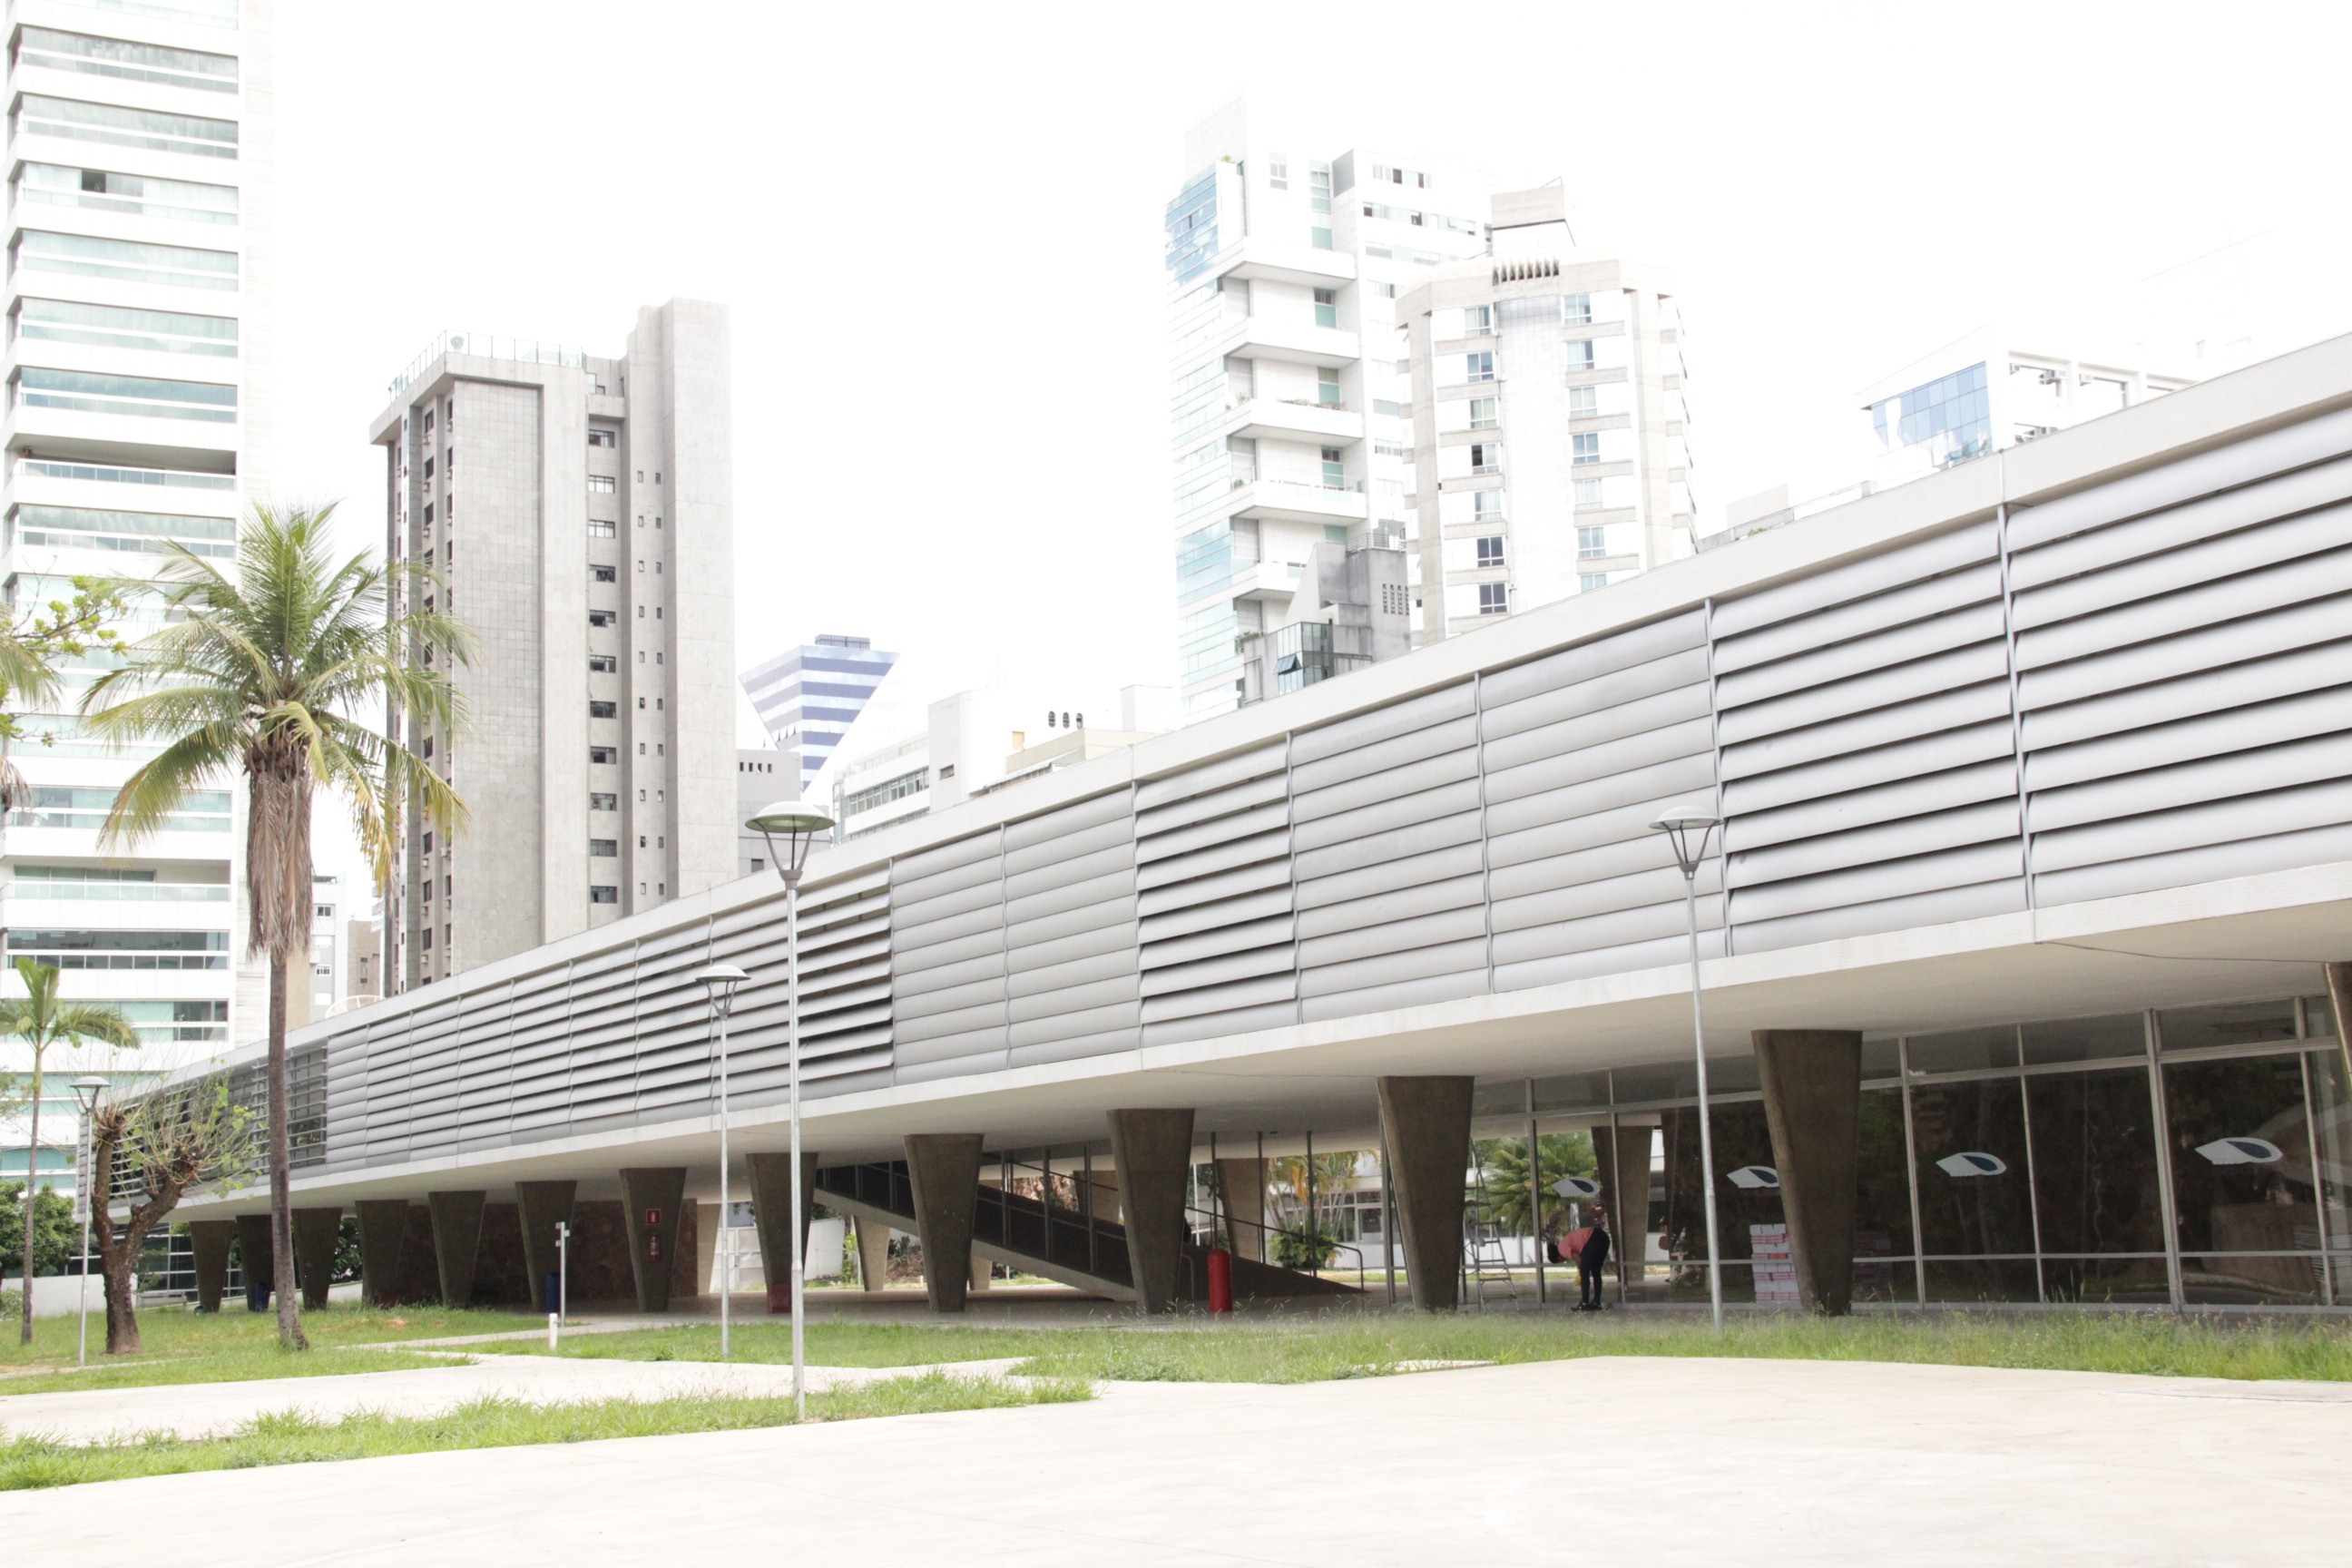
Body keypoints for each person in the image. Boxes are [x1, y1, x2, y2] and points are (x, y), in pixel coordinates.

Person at [1575, 1202, 1612, 1310]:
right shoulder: (1586, 1219)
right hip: (1592, 1242)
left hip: (1595, 1242)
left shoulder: (1597, 1220)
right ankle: (1591, 1301)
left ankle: (1589, 1302)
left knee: (1589, 1271)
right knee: (1591, 1272)